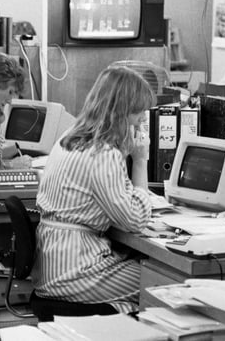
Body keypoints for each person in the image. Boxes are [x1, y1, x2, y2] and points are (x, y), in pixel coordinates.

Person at [32, 66, 156, 314]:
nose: (142, 118)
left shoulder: (69, 137)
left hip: (53, 262)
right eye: (139, 111)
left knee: (148, 272)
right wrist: (141, 160)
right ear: (122, 110)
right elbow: (135, 220)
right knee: (164, 282)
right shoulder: (103, 152)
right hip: (76, 270)